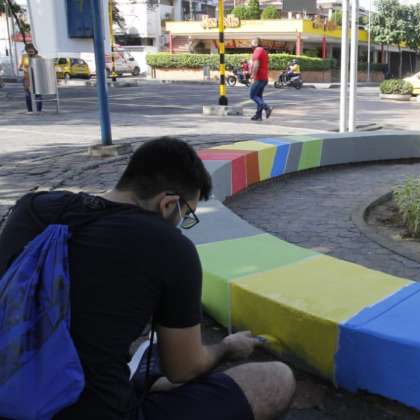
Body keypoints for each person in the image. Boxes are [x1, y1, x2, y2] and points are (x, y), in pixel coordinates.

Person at [0, 138, 295, 420]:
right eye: (187, 214)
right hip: (90, 410)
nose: (183, 223)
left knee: (147, 355)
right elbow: (184, 369)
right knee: (275, 379)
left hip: (8, 387)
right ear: (168, 204)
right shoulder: (169, 246)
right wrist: (227, 347)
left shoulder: (32, 207)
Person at [249, 38, 272, 121]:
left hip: (259, 78)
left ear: (255, 43)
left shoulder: (257, 51)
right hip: (264, 78)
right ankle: (258, 115)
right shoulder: (264, 51)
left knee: (252, 95)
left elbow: (256, 65)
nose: (250, 45)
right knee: (259, 97)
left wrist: (253, 77)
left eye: (251, 43)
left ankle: (267, 107)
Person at [19, 43, 42, 113]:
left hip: (37, 79)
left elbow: (42, 68)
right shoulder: (24, 56)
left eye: (31, 51)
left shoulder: (39, 57)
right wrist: (23, 69)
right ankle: (30, 110)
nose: (30, 53)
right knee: (28, 96)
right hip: (27, 79)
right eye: (28, 51)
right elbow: (20, 67)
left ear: (34, 50)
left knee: (38, 95)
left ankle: (38, 110)